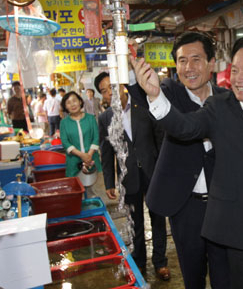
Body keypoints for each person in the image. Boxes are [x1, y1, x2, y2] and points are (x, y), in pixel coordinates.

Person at [132, 36, 243, 289]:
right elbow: (185, 127)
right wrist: (155, 96)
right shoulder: (220, 108)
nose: (238, 78)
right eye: (235, 71)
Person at [129, 32, 230, 289]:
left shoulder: (226, 100)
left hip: (224, 205)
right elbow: (145, 96)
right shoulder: (169, 93)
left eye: (196, 59)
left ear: (211, 63)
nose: (189, 68)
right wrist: (136, 74)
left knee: (225, 276)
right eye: (182, 60)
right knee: (192, 275)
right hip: (186, 206)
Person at [95, 72, 170, 280]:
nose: (110, 92)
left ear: (121, 85)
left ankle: (160, 263)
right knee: (134, 223)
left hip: (152, 171)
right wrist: (109, 182)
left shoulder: (143, 106)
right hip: (128, 178)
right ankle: (139, 264)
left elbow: (160, 140)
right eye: (104, 91)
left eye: (112, 86)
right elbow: (106, 151)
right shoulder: (105, 118)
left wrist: (164, 171)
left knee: (157, 219)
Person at [59, 91, 102, 198]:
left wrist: (89, 155)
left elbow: (96, 137)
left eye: (74, 100)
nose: (72, 104)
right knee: (77, 195)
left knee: (95, 194)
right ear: (65, 107)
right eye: (68, 103)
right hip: (73, 163)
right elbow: (65, 142)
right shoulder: (64, 123)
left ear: (80, 101)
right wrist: (82, 155)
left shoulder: (90, 118)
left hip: (92, 160)